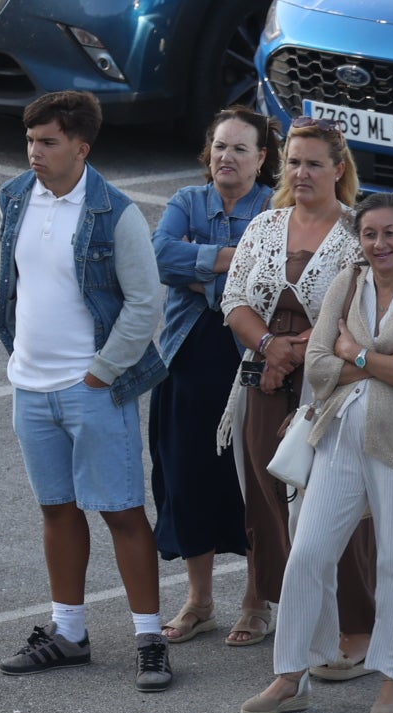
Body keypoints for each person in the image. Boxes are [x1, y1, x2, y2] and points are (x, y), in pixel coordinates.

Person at [241, 194, 393, 713]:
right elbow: (315, 367)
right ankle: (290, 675)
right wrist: (386, 362)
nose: (379, 245)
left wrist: (353, 353)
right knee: (308, 552)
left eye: (390, 234)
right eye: (369, 235)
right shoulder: (347, 282)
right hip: (337, 438)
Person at [0, 90, 173, 694]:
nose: (34, 153)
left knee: (122, 511)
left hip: (92, 389)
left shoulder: (114, 214)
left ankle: (150, 640)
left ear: (81, 147)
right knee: (56, 510)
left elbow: (145, 302)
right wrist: (21, 356)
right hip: (31, 386)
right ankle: (68, 633)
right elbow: (17, 285)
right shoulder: (16, 197)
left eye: (47, 142)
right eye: (31, 141)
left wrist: (100, 372)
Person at [218, 119, 377, 662]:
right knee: (269, 501)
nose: (301, 172)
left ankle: (358, 624)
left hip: (333, 385)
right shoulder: (265, 226)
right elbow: (234, 297)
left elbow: (368, 307)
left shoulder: (362, 229)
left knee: (336, 504)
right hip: (264, 381)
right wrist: (268, 346)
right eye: (293, 162)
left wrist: (300, 349)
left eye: (313, 163)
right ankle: (298, 617)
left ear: (339, 169)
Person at [150, 108, 277, 643]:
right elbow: (158, 257)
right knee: (185, 479)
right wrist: (232, 263)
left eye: (240, 149)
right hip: (184, 360)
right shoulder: (186, 201)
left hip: (248, 361)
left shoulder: (273, 208)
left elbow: (273, 272)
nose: (226, 157)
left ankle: (255, 601)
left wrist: (200, 268)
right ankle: (199, 599)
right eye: (220, 147)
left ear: (262, 159)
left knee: (252, 485)